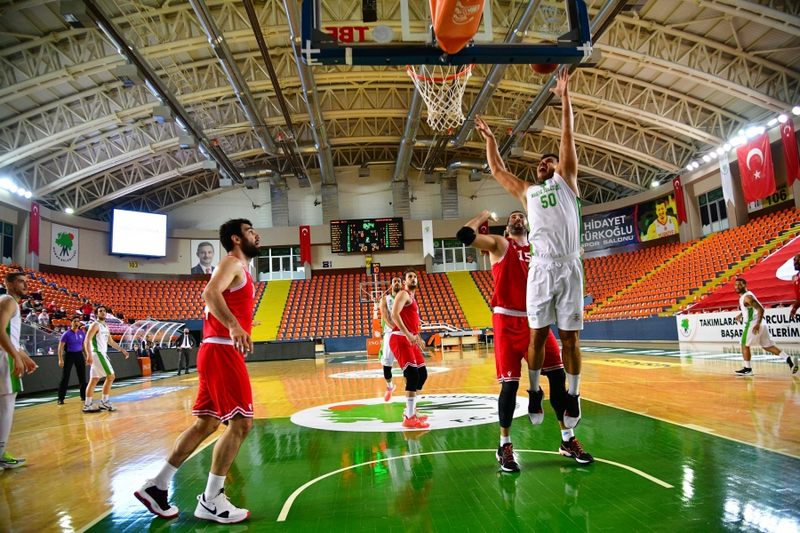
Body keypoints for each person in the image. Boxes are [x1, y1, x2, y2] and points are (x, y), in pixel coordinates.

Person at [475, 68, 584, 429]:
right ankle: (534, 391)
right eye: (540, 161)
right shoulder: (527, 191)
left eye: (548, 161)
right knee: (539, 335)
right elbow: (496, 168)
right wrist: (491, 138)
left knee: (570, 338)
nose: (543, 163)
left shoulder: (566, 181)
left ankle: (574, 395)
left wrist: (564, 97)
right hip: (542, 266)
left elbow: (567, 139)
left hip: (569, 264)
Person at [135, 219, 260, 524]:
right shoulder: (231, 263)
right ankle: (212, 499)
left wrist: (237, 325)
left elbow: (219, 298)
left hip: (214, 349)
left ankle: (158, 485)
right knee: (242, 424)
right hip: (221, 350)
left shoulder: (239, 269)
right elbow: (209, 293)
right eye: (250, 231)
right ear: (235, 238)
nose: (256, 235)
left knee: (206, 424)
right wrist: (233, 325)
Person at [458, 210, 593, 473]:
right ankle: (504, 445)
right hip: (507, 320)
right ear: (507, 228)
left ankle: (567, 440)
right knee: (509, 386)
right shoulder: (500, 244)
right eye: (513, 217)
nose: (518, 218)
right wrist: (483, 214)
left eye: (521, 216)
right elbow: (464, 235)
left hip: (536, 320)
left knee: (557, 378)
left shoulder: (540, 249)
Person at [0, 272, 38, 469]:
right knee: (5, 408)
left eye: (26, 282)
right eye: (20, 281)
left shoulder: (9, 302)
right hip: (2, 360)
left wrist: (24, 356)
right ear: (7, 283)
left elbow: (10, 337)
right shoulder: (8, 301)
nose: (25, 285)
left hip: (5, 356)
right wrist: (15, 357)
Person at [389, 268, 430, 429]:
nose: (413, 279)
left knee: (422, 374)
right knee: (412, 376)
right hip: (399, 337)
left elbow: (411, 321)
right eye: (410, 277)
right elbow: (394, 315)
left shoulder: (412, 297)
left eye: (415, 277)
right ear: (405, 281)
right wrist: (407, 334)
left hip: (410, 338)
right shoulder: (403, 294)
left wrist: (417, 337)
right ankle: (409, 417)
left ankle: (411, 409)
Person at [734, 278, 794, 376]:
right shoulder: (746, 296)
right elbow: (751, 308)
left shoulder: (747, 297)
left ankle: (748, 369)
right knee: (768, 346)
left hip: (753, 324)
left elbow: (761, 309)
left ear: (745, 285)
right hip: (761, 323)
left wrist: (757, 324)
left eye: (739, 284)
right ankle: (787, 358)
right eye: (736, 285)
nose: (737, 286)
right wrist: (741, 315)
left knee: (744, 345)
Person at [82, 305, 129, 412]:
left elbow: (111, 342)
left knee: (94, 380)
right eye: (100, 311)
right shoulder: (95, 325)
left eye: (104, 311)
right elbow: (86, 340)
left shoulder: (105, 326)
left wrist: (122, 350)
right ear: (97, 314)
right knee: (111, 376)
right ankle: (104, 402)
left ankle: (87, 405)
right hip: (97, 353)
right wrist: (88, 355)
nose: (103, 312)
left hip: (101, 353)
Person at [379, 277, 403, 401]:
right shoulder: (385, 299)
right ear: (391, 285)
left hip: (404, 332)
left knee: (409, 362)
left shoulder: (406, 298)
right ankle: (389, 387)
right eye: (395, 281)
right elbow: (385, 316)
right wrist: (394, 328)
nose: (397, 283)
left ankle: (411, 391)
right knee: (387, 362)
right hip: (390, 332)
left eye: (399, 281)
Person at [57, 316, 87, 405]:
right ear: (71, 323)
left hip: (79, 355)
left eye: (78, 321)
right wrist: (60, 359)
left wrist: (86, 356)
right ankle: (60, 398)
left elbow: (83, 346)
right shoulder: (66, 334)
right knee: (65, 377)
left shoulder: (82, 333)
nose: (76, 323)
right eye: (74, 321)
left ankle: (83, 396)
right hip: (69, 355)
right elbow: (60, 347)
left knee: (82, 377)